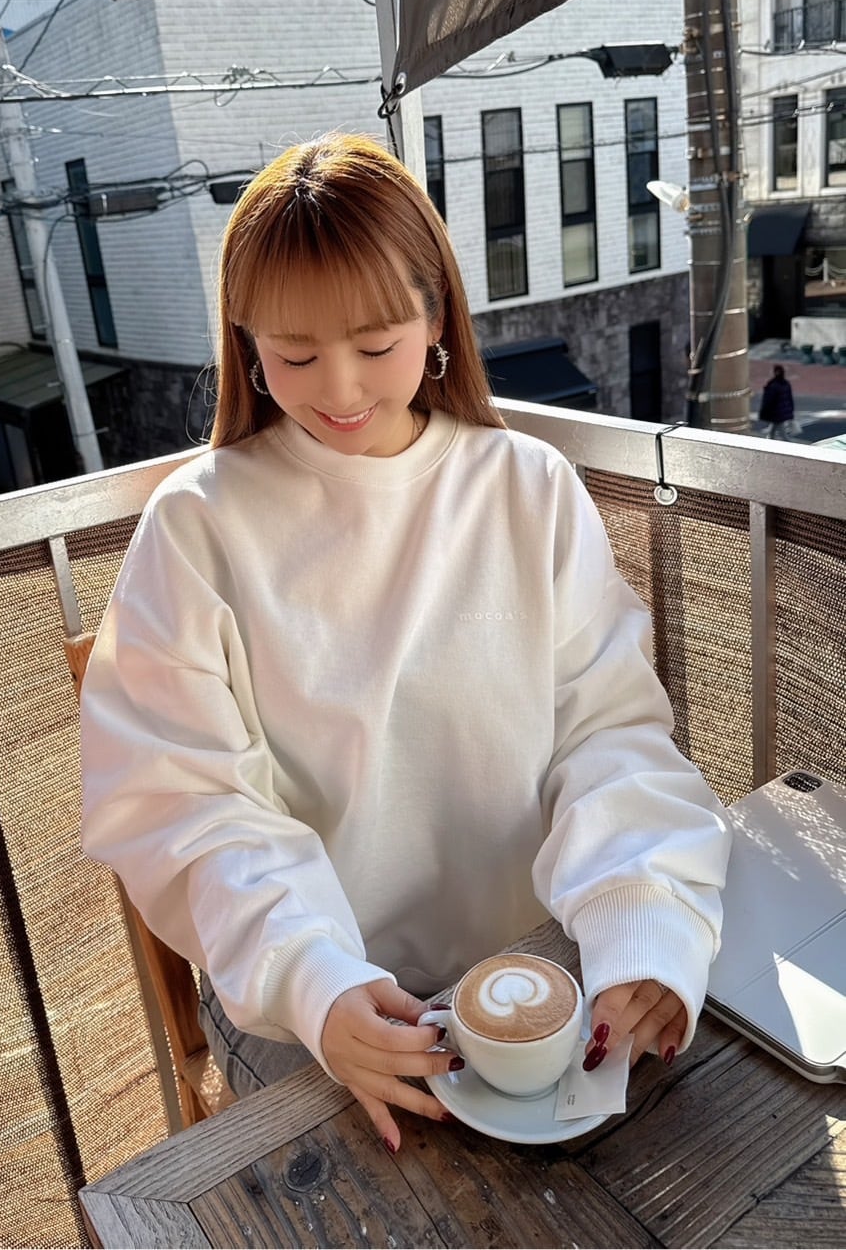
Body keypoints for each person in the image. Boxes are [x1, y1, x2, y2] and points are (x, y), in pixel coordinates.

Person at [80, 132, 731, 1154]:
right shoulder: (196, 526)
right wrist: (316, 981)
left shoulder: (526, 488)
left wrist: (640, 917)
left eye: (375, 344)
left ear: (437, 321)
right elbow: (187, 805)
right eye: (295, 355)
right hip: (302, 1004)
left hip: (539, 966)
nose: (339, 390)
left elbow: (606, 732)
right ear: (246, 344)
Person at [759, 364, 795, 440]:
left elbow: (769, 400)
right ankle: (769, 439)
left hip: (776, 412)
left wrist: (764, 411)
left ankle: (787, 443)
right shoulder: (786, 384)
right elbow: (790, 398)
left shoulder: (774, 385)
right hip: (782, 412)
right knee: (774, 429)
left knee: (782, 432)